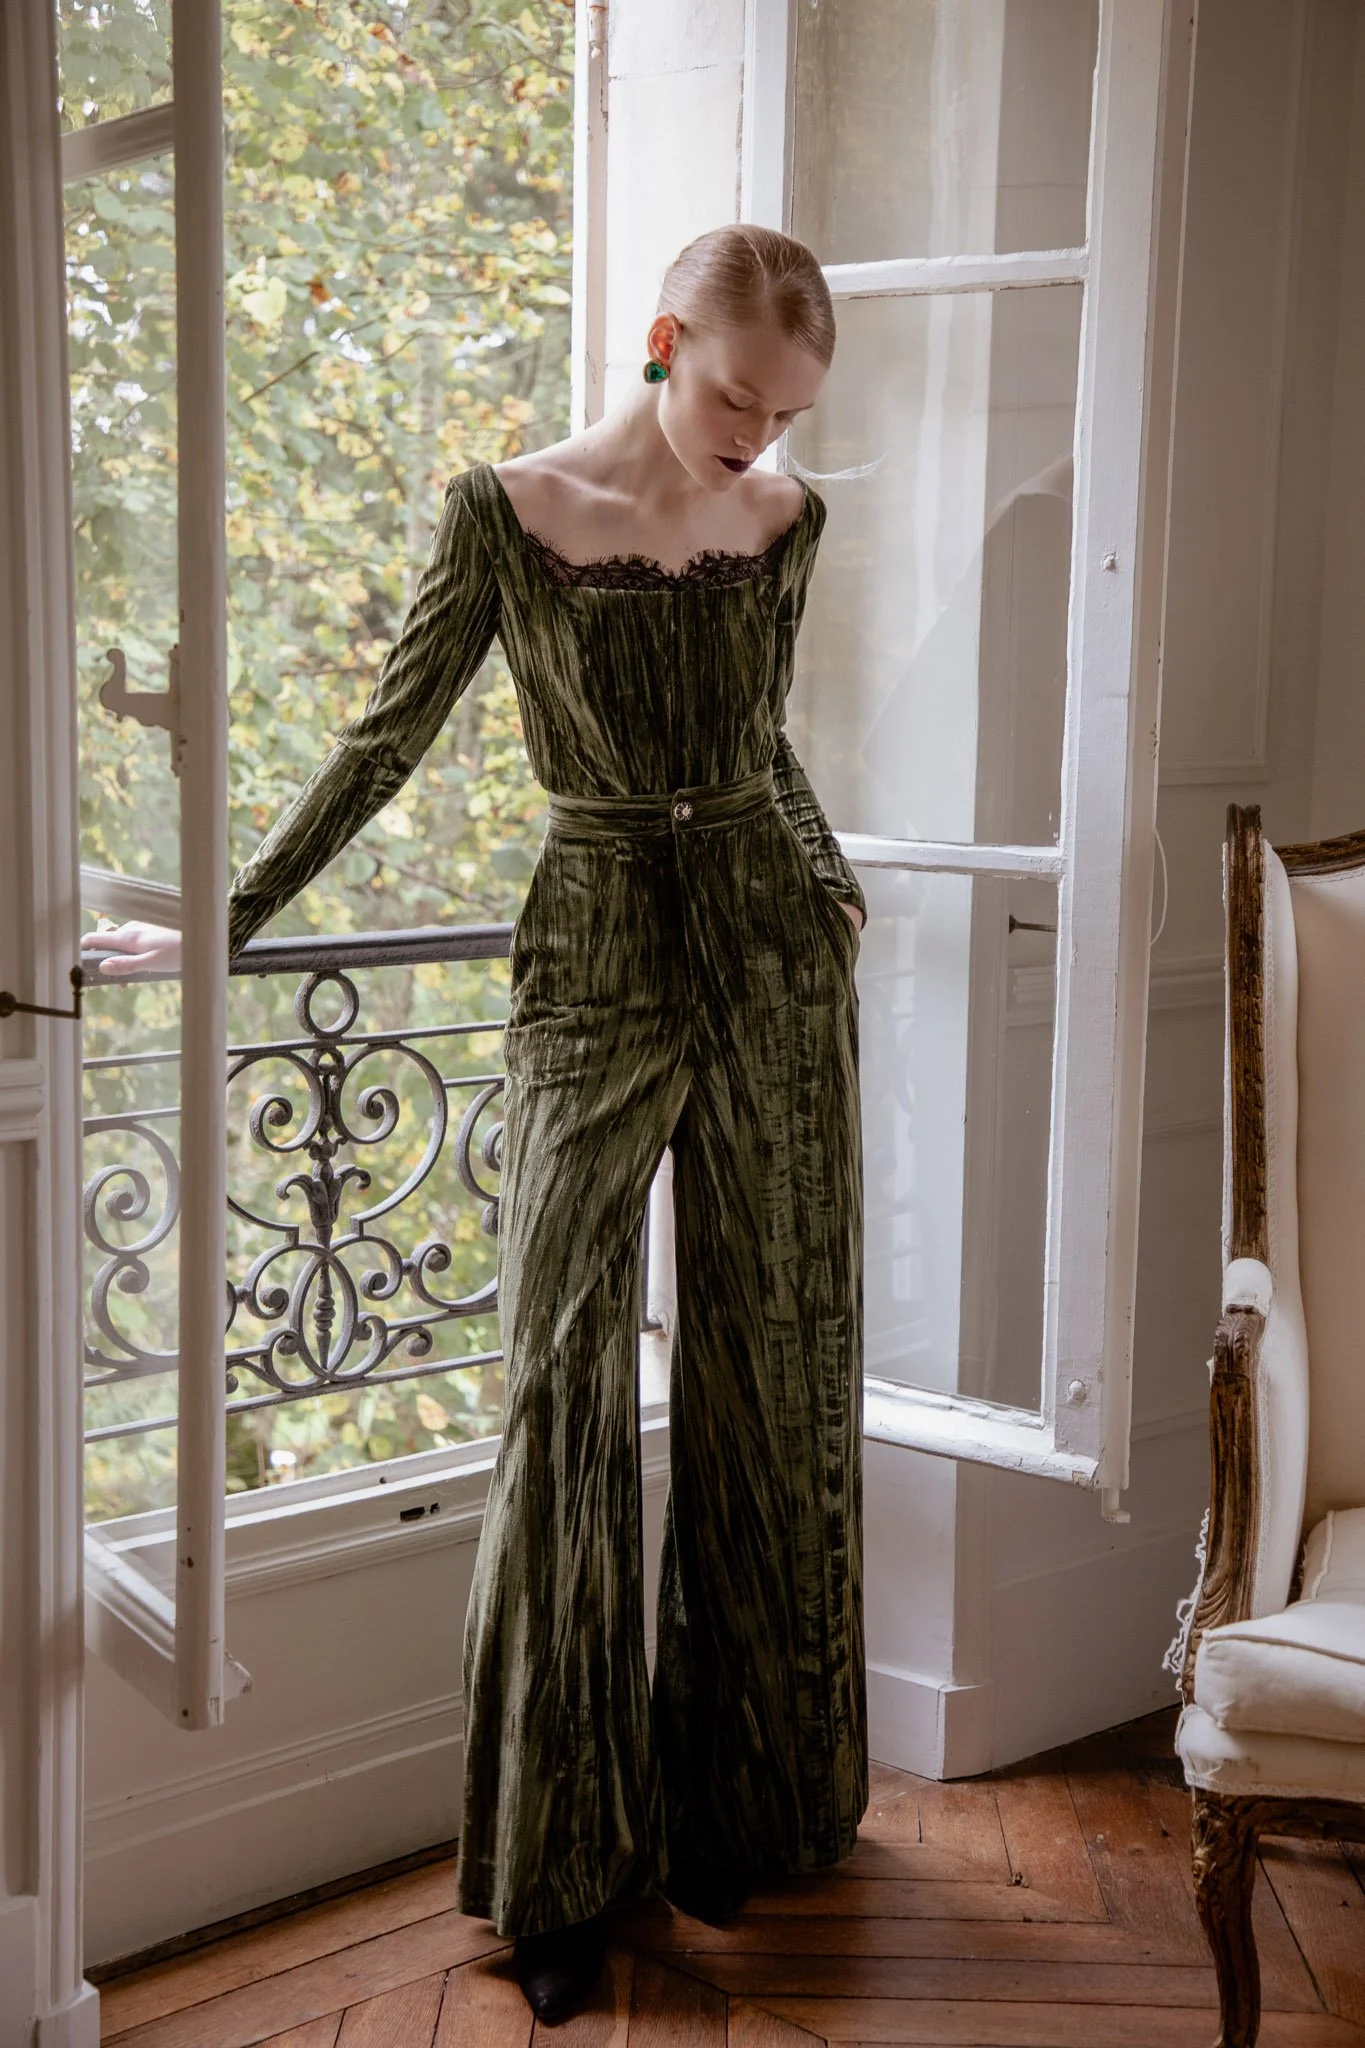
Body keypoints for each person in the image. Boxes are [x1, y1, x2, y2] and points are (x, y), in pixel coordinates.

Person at [86, 222, 869, 2027]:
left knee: (777, 1377)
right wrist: (226, 921)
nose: (757, 438)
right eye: (738, 396)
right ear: (665, 341)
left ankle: (751, 1810)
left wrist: (830, 886)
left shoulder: (786, 521)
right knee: (560, 1388)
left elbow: (761, 743)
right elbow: (386, 741)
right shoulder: (507, 514)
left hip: (771, 961)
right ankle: (560, 1873)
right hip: (592, 956)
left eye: (788, 414)